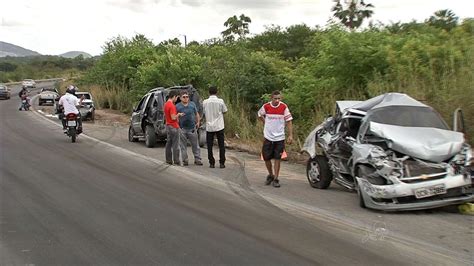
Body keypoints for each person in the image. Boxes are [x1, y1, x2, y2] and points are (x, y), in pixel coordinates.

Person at [257, 90, 293, 188]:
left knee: (278, 158)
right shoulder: (266, 106)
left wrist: (290, 135)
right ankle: (270, 174)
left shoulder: (284, 107)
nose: (277, 100)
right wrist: (265, 122)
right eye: (275, 98)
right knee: (266, 157)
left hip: (280, 137)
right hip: (268, 137)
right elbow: (259, 115)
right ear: (271, 98)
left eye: (279, 98)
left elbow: (289, 121)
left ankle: (276, 178)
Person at [202, 86, 227, 168]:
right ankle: (222, 162)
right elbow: (225, 111)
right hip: (219, 125)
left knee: (210, 145)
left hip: (209, 126)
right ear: (217, 92)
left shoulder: (205, 102)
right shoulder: (220, 101)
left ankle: (211, 162)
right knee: (221, 145)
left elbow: (203, 112)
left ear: (209, 92)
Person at [176, 91, 203, 166]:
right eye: (184, 97)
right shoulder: (177, 106)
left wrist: (198, 122)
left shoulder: (192, 104)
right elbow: (175, 117)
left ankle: (197, 159)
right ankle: (185, 160)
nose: (185, 98)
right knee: (183, 146)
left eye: (187, 97)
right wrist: (178, 125)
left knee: (195, 145)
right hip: (182, 129)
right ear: (180, 98)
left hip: (192, 128)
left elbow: (196, 114)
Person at [164, 90, 184, 165]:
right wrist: (178, 114)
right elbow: (173, 117)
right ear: (174, 96)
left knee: (168, 143)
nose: (177, 99)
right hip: (174, 126)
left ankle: (168, 160)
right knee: (176, 144)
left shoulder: (166, 104)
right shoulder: (171, 105)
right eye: (177, 97)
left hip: (168, 125)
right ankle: (176, 160)